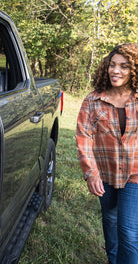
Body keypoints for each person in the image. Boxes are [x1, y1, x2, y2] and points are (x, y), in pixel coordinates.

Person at [76, 43, 138, 264]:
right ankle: (113, 260)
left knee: (128, 233)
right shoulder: (93, 100)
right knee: (110, 220)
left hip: (134, 175)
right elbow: (83, 138)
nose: (116, 71)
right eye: (112, 65)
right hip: (105, 173)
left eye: (124, 66)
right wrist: (91, 173)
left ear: (134, 70)